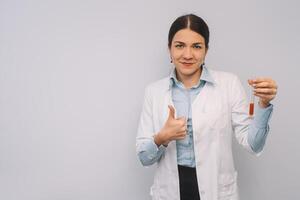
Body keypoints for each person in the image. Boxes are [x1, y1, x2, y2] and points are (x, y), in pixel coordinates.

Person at [136, 14, 277, 200]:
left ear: (206, 50)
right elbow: (144, 157)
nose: (187, 54)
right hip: (170, 189)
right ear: (169, 49)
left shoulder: (229, 84)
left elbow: (253, 144)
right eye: (179, 46)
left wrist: (264, 104)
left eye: (196, 46)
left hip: (217, 190)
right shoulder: (153, 92)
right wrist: (162, 137)